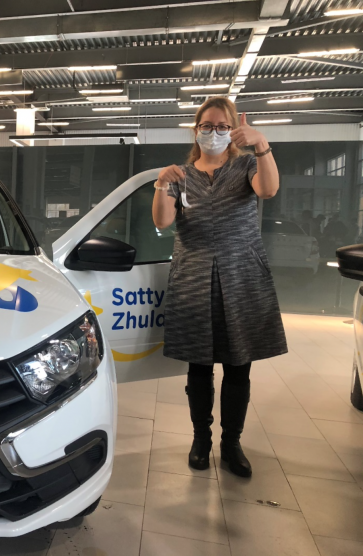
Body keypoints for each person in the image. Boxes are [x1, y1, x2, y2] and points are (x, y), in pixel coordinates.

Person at [152, 97, 287, 478]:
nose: (214, 133)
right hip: (194, 277)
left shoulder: (247, 165)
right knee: (199, 365)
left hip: (241, 275)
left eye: (222, 126)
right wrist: (161, 183)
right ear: (196, 129)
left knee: (238, 365)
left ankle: (232, 443)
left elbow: (268, 190)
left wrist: (261, 144)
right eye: (207, 126)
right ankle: (201, 439)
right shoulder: (180, 175)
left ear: (233, 130)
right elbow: (162, 221)